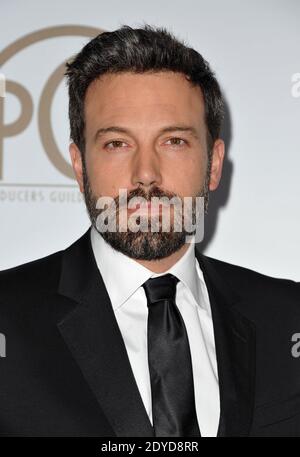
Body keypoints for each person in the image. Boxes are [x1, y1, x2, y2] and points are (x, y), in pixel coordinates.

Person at [0, 24, 299, 438]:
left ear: (213, 164)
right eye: (117, 143)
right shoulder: (7, 319)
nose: (146, 175)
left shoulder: (288, 317)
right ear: (80, 164)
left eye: (173, 141)